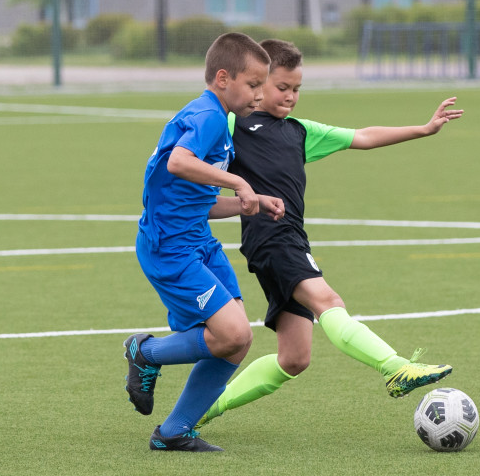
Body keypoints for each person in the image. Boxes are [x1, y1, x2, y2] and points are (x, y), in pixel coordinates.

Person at [196, 39, 464, 428]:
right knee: (328, 299)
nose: (290, 97)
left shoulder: (301, 131)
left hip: (290, 238)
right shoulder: (235, 124)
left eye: (296, 89)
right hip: (271, 236)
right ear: (257, 85)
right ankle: (395, 367)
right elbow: (200, 150)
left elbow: (364, 137)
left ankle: (203, 409)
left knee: (294, 358)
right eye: (280, 87)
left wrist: (423, 129)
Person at [123, 32, 284, 452]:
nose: (259, 93)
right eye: (253, 84)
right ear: (223, 78)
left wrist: (249, 203)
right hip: (170, 248)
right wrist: (239, 181)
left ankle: (175, 432)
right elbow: (178, 161)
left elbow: (198, 203)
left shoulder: (217, 119)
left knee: (238, 339)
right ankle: (146, 352)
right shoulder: (209, 116)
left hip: (198, 241)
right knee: (230, 335)